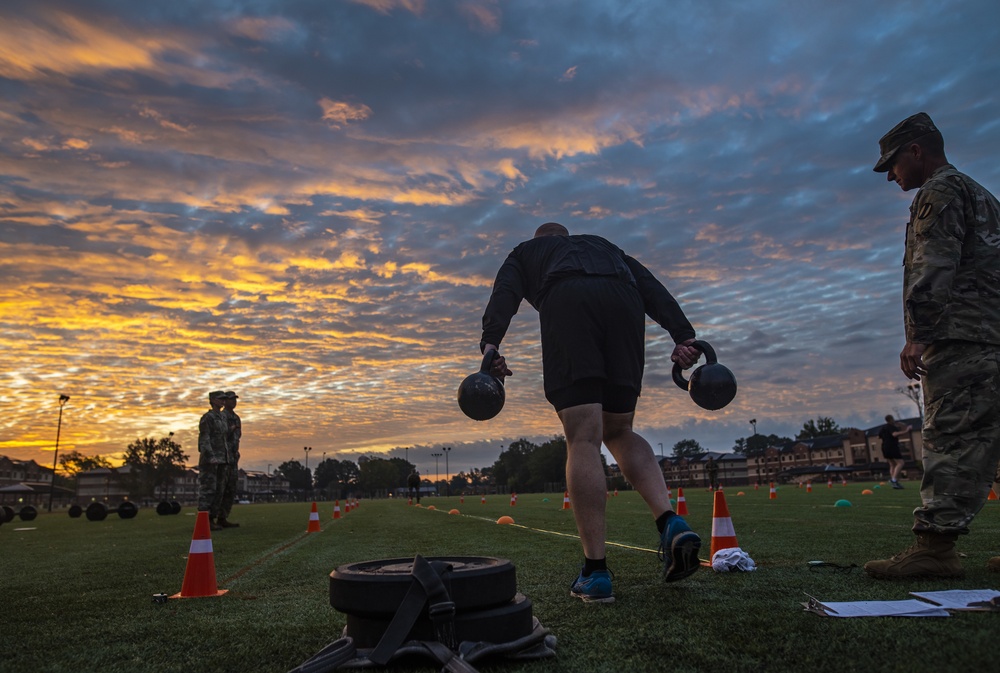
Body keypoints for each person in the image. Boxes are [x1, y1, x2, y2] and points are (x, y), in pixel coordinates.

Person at [479, 222, 703, 602]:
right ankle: (670, 520)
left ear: (542, 241)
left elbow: (505, 294)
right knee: (618, 430)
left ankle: (595, 572)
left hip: (568, 301)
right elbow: (650, 286)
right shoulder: (606, 246)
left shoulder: (526, 253)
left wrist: (490, 345)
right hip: (624, 302)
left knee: (583, 434)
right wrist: (684, 335)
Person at [864, 112, 1000, 579]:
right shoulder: (982, 194)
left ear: (916, 151)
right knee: (992, 440)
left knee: (951, 437)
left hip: (962, 338)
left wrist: (918, 336)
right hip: (993, 335)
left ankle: (936, 548)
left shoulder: (938, 192)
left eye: (893, 165)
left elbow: (934, 265)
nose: (891, 177)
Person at [197, 391, 231, 532]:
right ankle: (204, 521)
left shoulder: (222, 417)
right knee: (208, 490)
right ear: (212, 400)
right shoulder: (208, 418)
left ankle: (213, 518)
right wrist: (210, 456)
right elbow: (204, 439)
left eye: (224, 399)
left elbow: (224, 439)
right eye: (220, 399)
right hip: (211, 461)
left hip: (222, 459)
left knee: (219, 490)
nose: (223, 401)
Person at [218, 391, 242, 528]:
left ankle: (223, 517)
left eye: (235, 399)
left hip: (233, 459)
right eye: (231, 399)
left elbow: (238, 437)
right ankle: (211, 517)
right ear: (225, 401)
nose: (234, 402)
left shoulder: (236, 418)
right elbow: (220, 436)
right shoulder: (221, 417)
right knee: (220, 487)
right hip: (222, 458)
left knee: (231, 488)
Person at [877, 414, 910, 489]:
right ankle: (894, 480)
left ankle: (894, 481)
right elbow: (894, 434)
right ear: (891, 419)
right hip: (892, 446)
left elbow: (878, 436)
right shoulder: (891, 427)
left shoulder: (883, 427)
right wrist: (906, 431)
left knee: (892, 464)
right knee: (900, 462)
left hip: (884, 447)